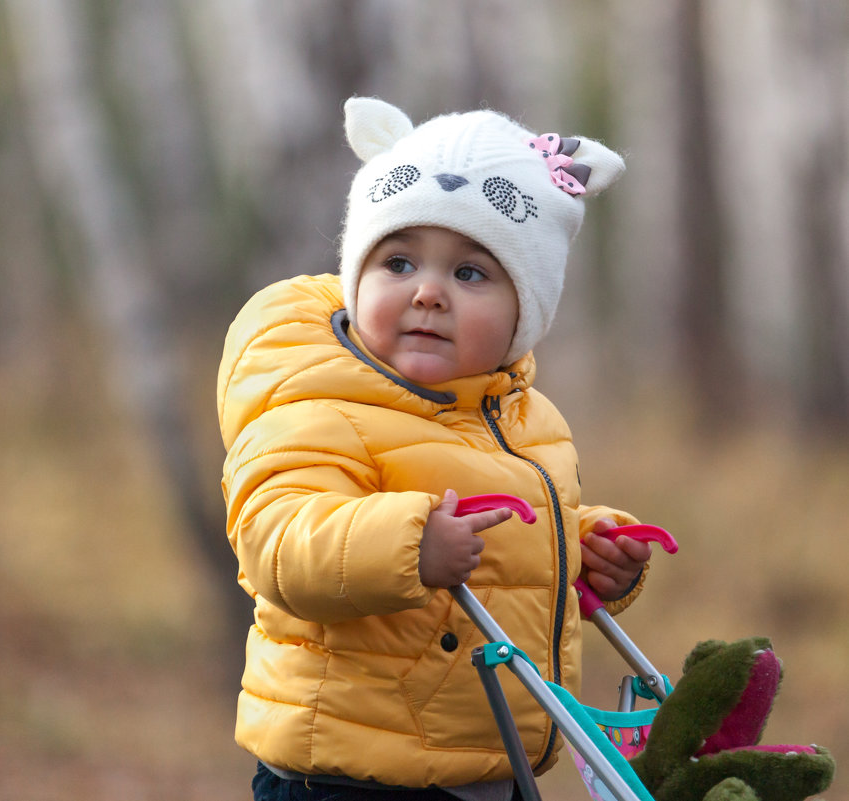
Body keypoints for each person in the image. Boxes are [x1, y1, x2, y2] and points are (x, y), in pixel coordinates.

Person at [217, 97, 655, 801]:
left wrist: (587, 551)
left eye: (471, 273)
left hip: (489, 765)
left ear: (526, 311)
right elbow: (277, 541)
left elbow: (505, 532)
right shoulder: (315, 397)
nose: (427, 292)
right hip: (349, 775)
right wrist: (408, 544)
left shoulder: (523, 418)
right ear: (357, 276)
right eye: (398, 261)